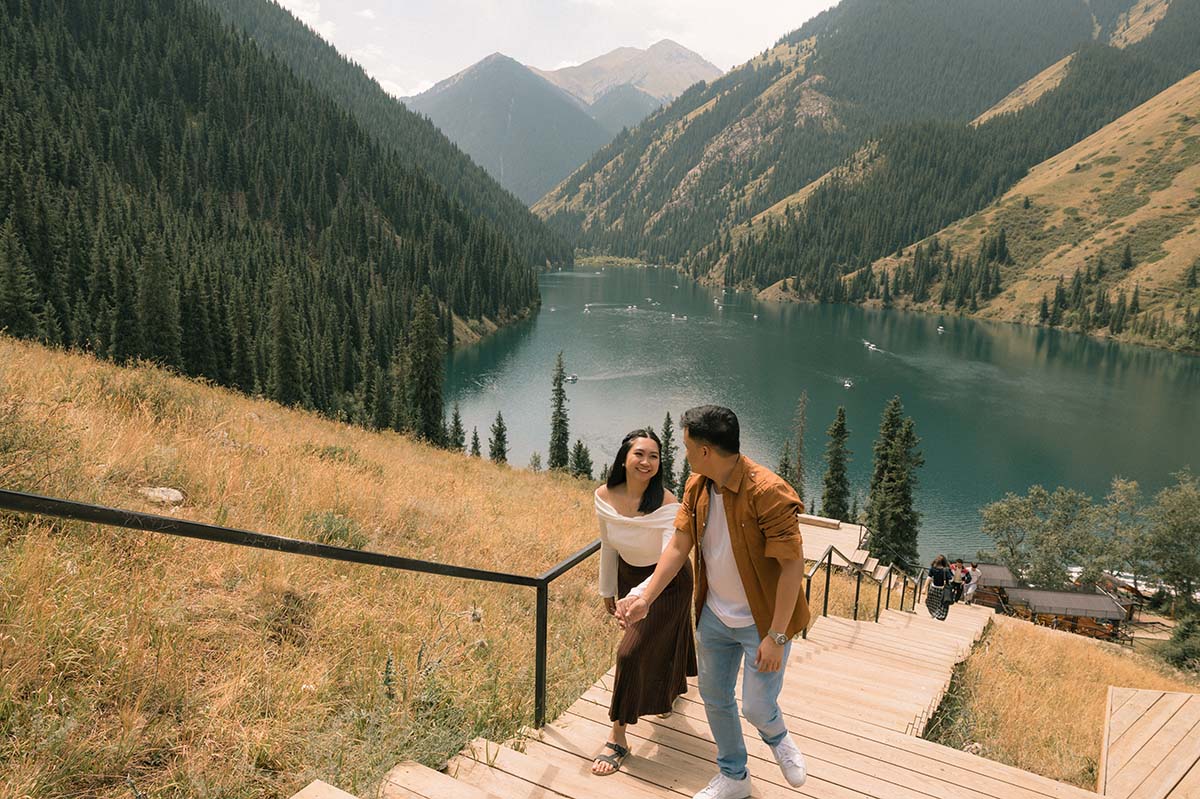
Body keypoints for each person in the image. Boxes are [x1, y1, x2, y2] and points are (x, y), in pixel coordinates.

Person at [616, 405, 809, 799]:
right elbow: (679, 546)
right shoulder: (697, 487)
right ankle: (734, 776)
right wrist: (645, 596)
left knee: (756, 707)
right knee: (716, 697)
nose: (683, 453)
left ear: (705, 451)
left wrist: (776, 635)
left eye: (687, 445)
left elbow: (792, 569)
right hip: (715, 617)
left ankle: (778, 736)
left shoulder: (768, 492)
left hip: (764, 621)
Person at [591, 429, 696, 776]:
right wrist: (608, 588)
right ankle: (670, 692)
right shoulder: (604, 495)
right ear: (624, 457)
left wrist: (639, 595)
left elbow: (672, 555)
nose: (646, 462)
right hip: (628, 575)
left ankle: (618, 737)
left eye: (654, 456)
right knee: (661, 639)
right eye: (639, 454)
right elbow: (608, 544)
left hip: (667, 582)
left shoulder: (667, 504)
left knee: (630, 652)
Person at [926, 555, 953, 621]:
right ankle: (939, 615)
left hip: (933, 588)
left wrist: (925, 587)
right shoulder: (946, 570)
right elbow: (951, 580)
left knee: (931, 602)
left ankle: (934, 613)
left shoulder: (933, 568)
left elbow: (929, 578)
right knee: (941, 604)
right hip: (942, 589)